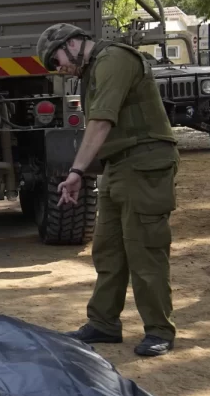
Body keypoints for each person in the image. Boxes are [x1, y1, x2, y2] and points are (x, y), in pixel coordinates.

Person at [39, 23, 180, 357]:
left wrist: (76, 172)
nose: (57, 68)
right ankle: (103, 323)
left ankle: (159, 329)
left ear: (73, 43)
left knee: (145, 250)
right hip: (119, 165)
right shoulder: (95, 67)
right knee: (108, 250)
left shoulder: (114, 59)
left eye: (55, 58)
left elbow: (101, 122)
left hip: (145, 163)